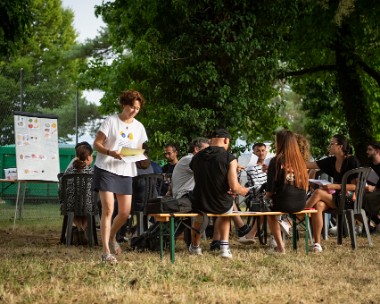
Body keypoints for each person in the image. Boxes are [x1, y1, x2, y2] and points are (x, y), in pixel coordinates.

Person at [93, 89, 147, 263]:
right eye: (131, 106)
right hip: (106, 168)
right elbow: (96, 144)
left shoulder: (139, 127)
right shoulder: (110, 121)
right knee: (108, 209)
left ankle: (112, 236)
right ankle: (105, 252)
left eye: (137, 108)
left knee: (124, 213)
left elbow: (139, 149)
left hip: (126, 170)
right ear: (124, 104)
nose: (133, 110)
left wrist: (140, 156)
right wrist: (110, 152)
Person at [189, 129, 249, 259]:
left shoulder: (197, 156)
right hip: (220, 202)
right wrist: (245, 191)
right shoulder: (229, 158)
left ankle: (195, 247)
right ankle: (224, 247)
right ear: (226, 140)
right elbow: (234, 187)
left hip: (199, 200)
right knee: (226, 209)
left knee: (199, 216)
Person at [305, 134, 360, 252]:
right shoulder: (331, 161)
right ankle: (317, 243)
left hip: (349, 198)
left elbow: (355, 186)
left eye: (332, 143)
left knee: (318, 192)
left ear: (340, 147)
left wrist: (334, 186)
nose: (329, 146)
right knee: (318, 205)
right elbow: (308, 165)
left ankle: (295, 217)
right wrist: (288, 161)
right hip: (336, 197)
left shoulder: (352, 160)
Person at [264, 130, 309, 254]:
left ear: (281, 143)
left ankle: (280, 247)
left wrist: (266, 197)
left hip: (283, 202)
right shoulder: (301, 161)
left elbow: (270, 188)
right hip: (301, 203)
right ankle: (286, 222)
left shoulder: (276, 160)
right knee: (275, 204)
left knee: (270, 212)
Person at [61, 142, 95, 244]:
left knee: (74, 207)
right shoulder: (92, 172)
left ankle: (79, 229)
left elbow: (61, 191)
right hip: (89, 207)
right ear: (89, 157)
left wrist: (63, 202)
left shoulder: (67, 172)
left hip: (70, 206)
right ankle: (82, 230)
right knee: (87, 206)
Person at [238, 142, 268, 244]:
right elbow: (258, 186)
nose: (261, 153)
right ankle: (253, 234)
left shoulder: (270, 165)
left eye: (263, 150)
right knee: (269, 204)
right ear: (253, 153)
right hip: (258, 196)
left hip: (269, 194)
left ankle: (252, 234)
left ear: (266, 151)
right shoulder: (252, 168)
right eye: (258, 151)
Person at [363, 142, 380, 233]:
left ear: (377, 151)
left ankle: (377, 222)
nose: (367, 152)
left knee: (367, 198)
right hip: (370, 190)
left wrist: (374, 188)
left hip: (377, 191)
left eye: (370, 149)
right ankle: (376, 222)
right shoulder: (369, 166)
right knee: (358, 198)